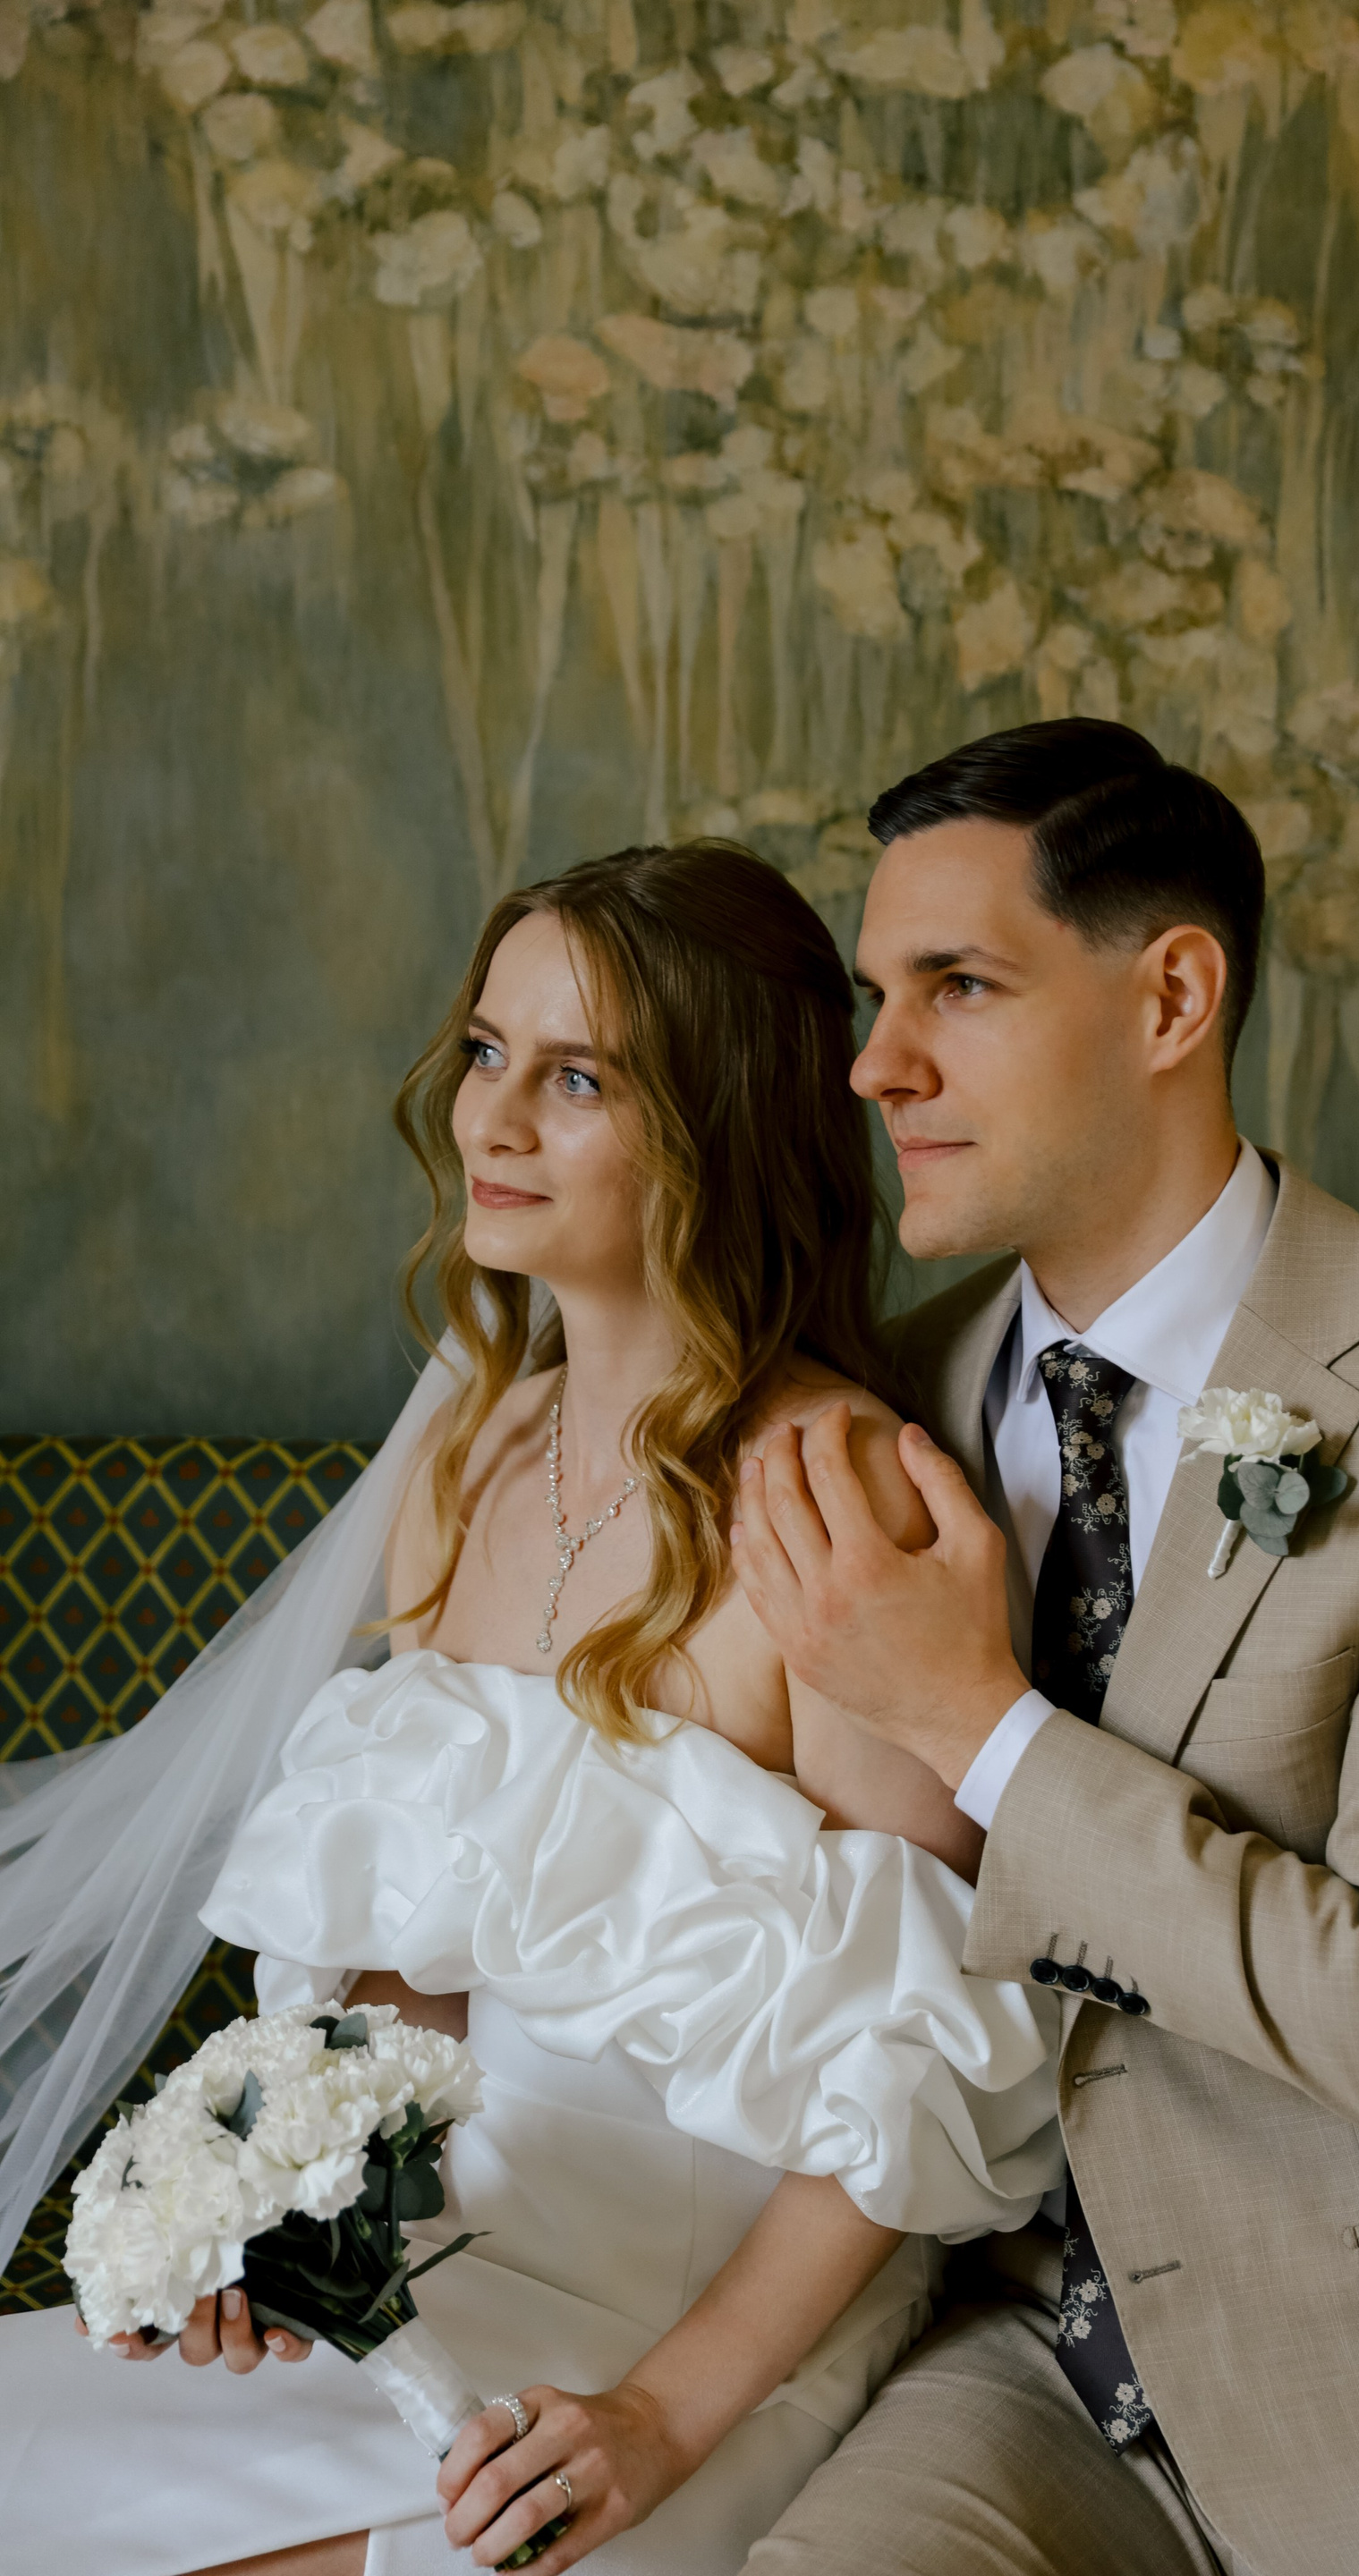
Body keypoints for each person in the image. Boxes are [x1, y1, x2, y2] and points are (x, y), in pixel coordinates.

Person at [0, 841, 1064, 2576]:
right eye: (488, 1052)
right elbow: (416, 1957)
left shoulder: (838, 1492)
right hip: (450, 2266)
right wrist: (285, 2211)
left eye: (577, 1080)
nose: (490, 1120)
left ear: (719, 1127)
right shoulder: (474, 1459)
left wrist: (658, 2417)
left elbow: (918, 2060)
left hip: (701, 2329)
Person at [731, 718, 1359, 2576]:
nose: (877, 1063)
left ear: (1173, 997)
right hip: (1030, 2362)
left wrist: (981, 1727)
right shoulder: (887, 1409)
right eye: (877, 996)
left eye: (959, 986)